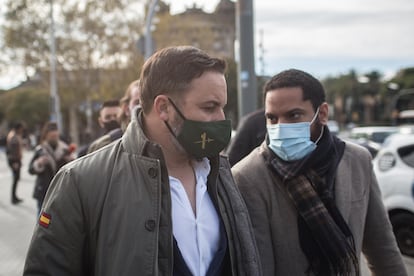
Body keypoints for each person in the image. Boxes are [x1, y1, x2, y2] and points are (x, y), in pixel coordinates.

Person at [24, 46, 261, 276]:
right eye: (209, 107)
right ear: (164, 107)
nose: (221, 118)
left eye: (222, 107)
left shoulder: (220, 172)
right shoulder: (79, 182)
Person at [232, 69, 407, 276]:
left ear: (322, 114)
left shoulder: (357, 161)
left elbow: (383, 250)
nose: (281, 127)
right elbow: (259, 268)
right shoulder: (248, 176)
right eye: (272, 118)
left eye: (293, 115)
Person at [28, 122, 74, 213]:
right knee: (42, 219)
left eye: (56, 136)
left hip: (61, 190)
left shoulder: (65, 150)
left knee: (60, 219)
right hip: (44, 191)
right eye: (52, 136)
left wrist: (71, 161)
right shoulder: (40, 150)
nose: (54, 138)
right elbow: (30, 169)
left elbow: (73, 171)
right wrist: (39, 163)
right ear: (46, 136)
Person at [86, 79, 141, 154]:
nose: (144, 107)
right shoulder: (103, 146)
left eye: (150, 101)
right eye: (138, 102)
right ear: (126, 109)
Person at [6, 121, 25, 204]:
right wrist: (15, 162)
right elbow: (13, 150)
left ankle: (14, 196)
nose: (22, 130)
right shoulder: (14, 136)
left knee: (16, 179)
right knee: (15, 179)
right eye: (21, 128)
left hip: (15, 160)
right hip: (14, 160)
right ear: (18, 128)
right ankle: (13, 198)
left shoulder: (13, 135)